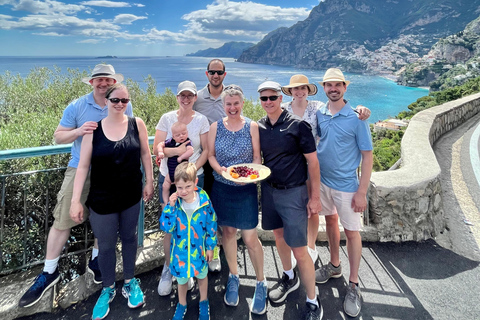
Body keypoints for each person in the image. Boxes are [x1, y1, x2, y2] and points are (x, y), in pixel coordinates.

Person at [18, 64, 133, 308]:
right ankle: (49, 272)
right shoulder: (78, 106)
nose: (103, 84)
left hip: (112, 171)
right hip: (80, 168)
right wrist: (80, 131)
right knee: (63, 219)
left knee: (106, 218)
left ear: (113, 82)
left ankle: (96, 262)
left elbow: (129, 130)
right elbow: (58, 136)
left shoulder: (122, 101)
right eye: (98, 80)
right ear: (91, 83)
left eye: (107, 80)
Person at [69, 83, 154, 319]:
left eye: (124, 101)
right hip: (102, 199)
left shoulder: (137, 124)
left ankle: (129, 281)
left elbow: (146, 153)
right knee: (105, 245)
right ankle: (107, 288)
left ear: (128, 103)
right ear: (106, 101)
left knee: (129, 238)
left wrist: (149, 181)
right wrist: (76, 200)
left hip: (130, 196)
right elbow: (83, 166)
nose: (119, 104)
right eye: (115, 100)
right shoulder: (93, 130)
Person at [281, 74, 371, 264]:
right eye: (295, 88)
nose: (299, 91)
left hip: (318, 170)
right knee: (302, 210)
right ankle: (311, 252)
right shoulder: (288, 111)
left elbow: (341, 108)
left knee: (319, 213)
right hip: (297, 169)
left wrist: (362, 109)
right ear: (289, 91)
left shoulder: (317, 109)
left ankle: (312, 249)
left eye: (303, 88)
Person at [257, 81, 323, 320]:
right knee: (278, 236)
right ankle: (289, 276)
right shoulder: (260, 126)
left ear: (279, 99)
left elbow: (313, 163)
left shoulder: (299, 126)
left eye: (272, 98)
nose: (268, 102)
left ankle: (313, 301)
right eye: (263, 99)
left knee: (300, 249)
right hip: (270, 191)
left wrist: (315, 198)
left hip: (294, 192)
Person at [314, 68, 373, 318]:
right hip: (324, 182)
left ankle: (354, 285)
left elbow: (368, 155)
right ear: (325, 88)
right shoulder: (320, 113)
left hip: (348, 186)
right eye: (329, 85)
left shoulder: (357, 118)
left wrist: (362, 191)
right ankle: (335, 266)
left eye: (338, 85)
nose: (333, 89)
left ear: (345, 88)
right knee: (330, 221)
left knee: (352, 232)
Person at [207, 85, 267, 314]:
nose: (232, 107)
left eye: (236, 103)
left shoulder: (252, 126)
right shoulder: (215, 127)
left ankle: (260, 282)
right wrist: (220, 170)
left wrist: (250, 178)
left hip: (246, 189)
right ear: (223, 105)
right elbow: (210, 155)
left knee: (251, 238)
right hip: (222, 188)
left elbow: (256, 157)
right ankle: (234, 276)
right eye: (228, 104)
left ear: (242, 103)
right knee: (229, 233)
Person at [153, 80, 209, 296]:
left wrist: (193, 168)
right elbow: (158, 148)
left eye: (190, 96)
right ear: (177, 97)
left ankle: (191, 269)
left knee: (194, 225)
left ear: (195, 98)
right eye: (182, 95)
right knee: (171, 225)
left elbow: (204, 150)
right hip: (169, 177)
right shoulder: (167, 118)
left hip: (195, 180)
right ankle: (169, 268)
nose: (186, 99)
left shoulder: (202, 120)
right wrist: (178, 154)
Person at [160, 162, 217, 320]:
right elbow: (166, 227)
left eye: (187, 186)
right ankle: (182, 303)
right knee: (182, 280)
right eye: (179, 187)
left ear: (195, 183)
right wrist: (170, 207)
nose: (183, 191)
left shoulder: (204, 201)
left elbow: (211, 225)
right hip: (180, 253)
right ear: (175, 186)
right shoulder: (175, 204)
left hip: (200, 251)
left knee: (202, 277)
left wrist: (211, 247)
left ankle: (204, 302)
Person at [193, 58, 228, 273]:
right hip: (203, 160)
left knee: (219, 206)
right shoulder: (196, 98)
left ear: (225, 74)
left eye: (219, 72)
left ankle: (217, 249)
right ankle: (206, 248)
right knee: (204, 206)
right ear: (207, 74)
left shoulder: (230, 97)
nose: (215, 75)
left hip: (225, 160)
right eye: (212, 72)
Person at [156, 121, 194, 204]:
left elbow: (191, 151)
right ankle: (166, 202)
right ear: (173, 136)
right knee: (165, 186)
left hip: (182, 173)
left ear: (187, 133)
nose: (181, 136)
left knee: (182, 189)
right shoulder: (171, 141)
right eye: (178, 135)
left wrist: (181, 157)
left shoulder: (187, 142)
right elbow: (160, 145)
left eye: (183, 133)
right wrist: (160, 152)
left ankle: (183, 204)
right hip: (171, 172)